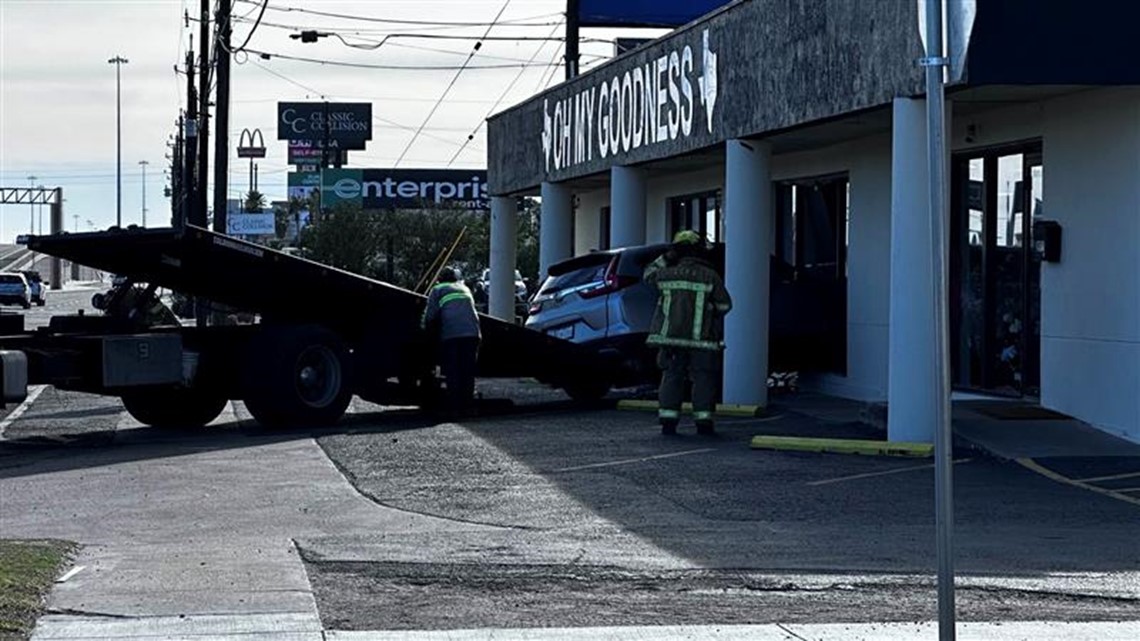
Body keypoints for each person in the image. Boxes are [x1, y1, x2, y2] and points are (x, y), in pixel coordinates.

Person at [644, 230, 733, 436]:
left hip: (671, 339)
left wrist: (666, 257)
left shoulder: (665, 274)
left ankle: (668, 421)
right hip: (701, 340)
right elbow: (724, 305)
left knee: (672, 376)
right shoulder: (710, 275)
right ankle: (703, 422)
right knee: (703, 378)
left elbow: (647, 274)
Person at [421, 267, 482, 416]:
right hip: (473, 334)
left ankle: (454, 407)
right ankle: (467, 406)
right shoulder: (464, 288)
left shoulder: (437, 290)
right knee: (467, 372)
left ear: (440, 279)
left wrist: (424, 333)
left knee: (453, 371)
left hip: (452, 334)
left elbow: (430, 317)